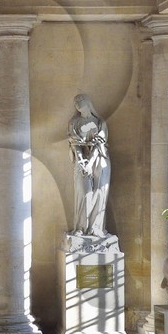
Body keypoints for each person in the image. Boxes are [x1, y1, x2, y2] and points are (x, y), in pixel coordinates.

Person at [69, 93, 110, 237]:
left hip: (99, 159)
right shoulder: (74, 122)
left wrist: (90, 163)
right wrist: (82, 161)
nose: (77, 103)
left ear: (87, 103)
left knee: (99, 193)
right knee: (84, 193)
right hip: (82, 160)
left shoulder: (99, 122)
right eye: (75, 101)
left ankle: (95, 227)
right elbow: (75, 143)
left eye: (80, 100)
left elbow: (99, 143)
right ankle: (81, 227)